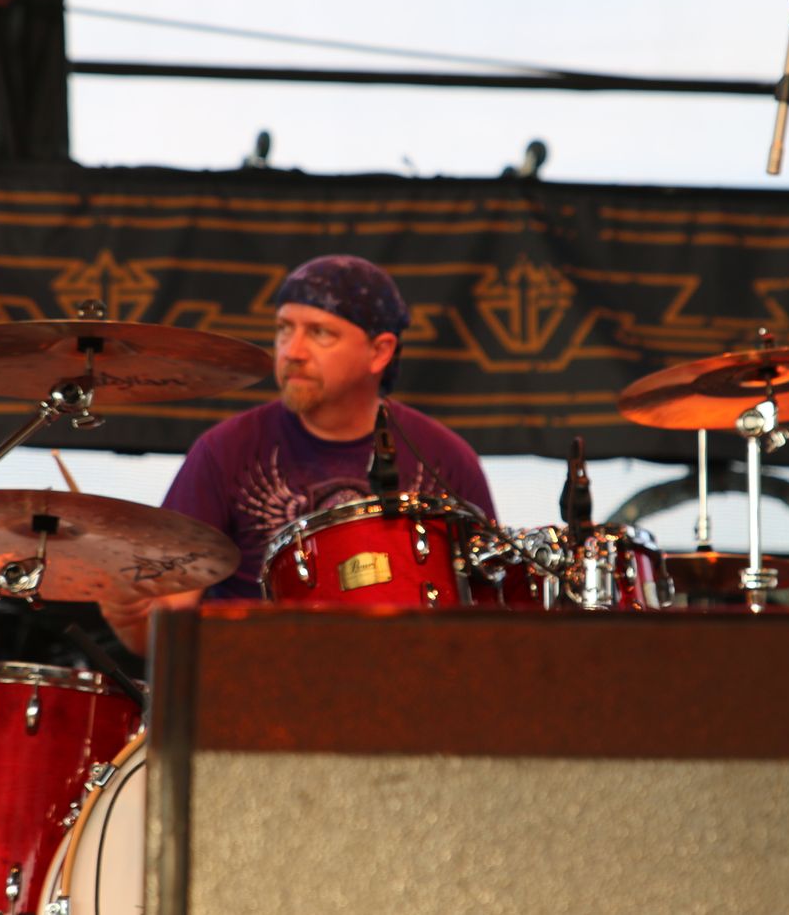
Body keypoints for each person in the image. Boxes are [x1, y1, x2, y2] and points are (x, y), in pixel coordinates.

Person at [101, 255, 496, 650]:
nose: (292, 351)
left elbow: (493, 616)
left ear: (380, 352)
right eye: (284, 329)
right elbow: (161, 629)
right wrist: (131, 617)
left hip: (413, 672)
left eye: (320, 333)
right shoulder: (225, 451)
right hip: (255, 676)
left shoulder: (446, 460)